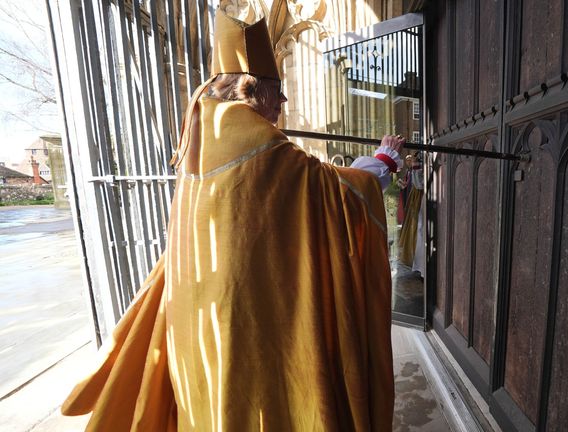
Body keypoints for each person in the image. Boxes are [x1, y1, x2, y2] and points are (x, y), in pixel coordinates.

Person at [61, 8, 402, 431]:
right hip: (244, 328)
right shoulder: (264, 148)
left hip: (196, 325)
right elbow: (338, 196)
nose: (283, 101)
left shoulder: (201, 139)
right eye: (277, 90)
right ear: (251, 88)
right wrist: (384, 160)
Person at [397, 153, 424, 272]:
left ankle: (418, 263)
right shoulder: (411, 171)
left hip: (418, 198)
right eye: (408, 161)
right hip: (413, 197)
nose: (409, 163)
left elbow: (418, 184)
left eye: (410, 161)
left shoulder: (418, 168)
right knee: (414, 227)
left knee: (418, 228)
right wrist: (402, 185)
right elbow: (410, 183)